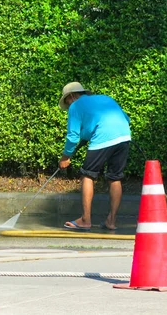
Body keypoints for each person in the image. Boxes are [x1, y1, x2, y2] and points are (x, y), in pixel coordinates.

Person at [57, 82, 131, 231]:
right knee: (114, 178)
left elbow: (73, 136)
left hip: (103, 137)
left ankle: (85, 220)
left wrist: (66, 157)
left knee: (87, 175)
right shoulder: (105, 98)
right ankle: (111, 221)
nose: (68, 105)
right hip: (124, 136)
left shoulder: (75, 106)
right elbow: (126, 119)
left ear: (71, 96)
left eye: (67, 101)